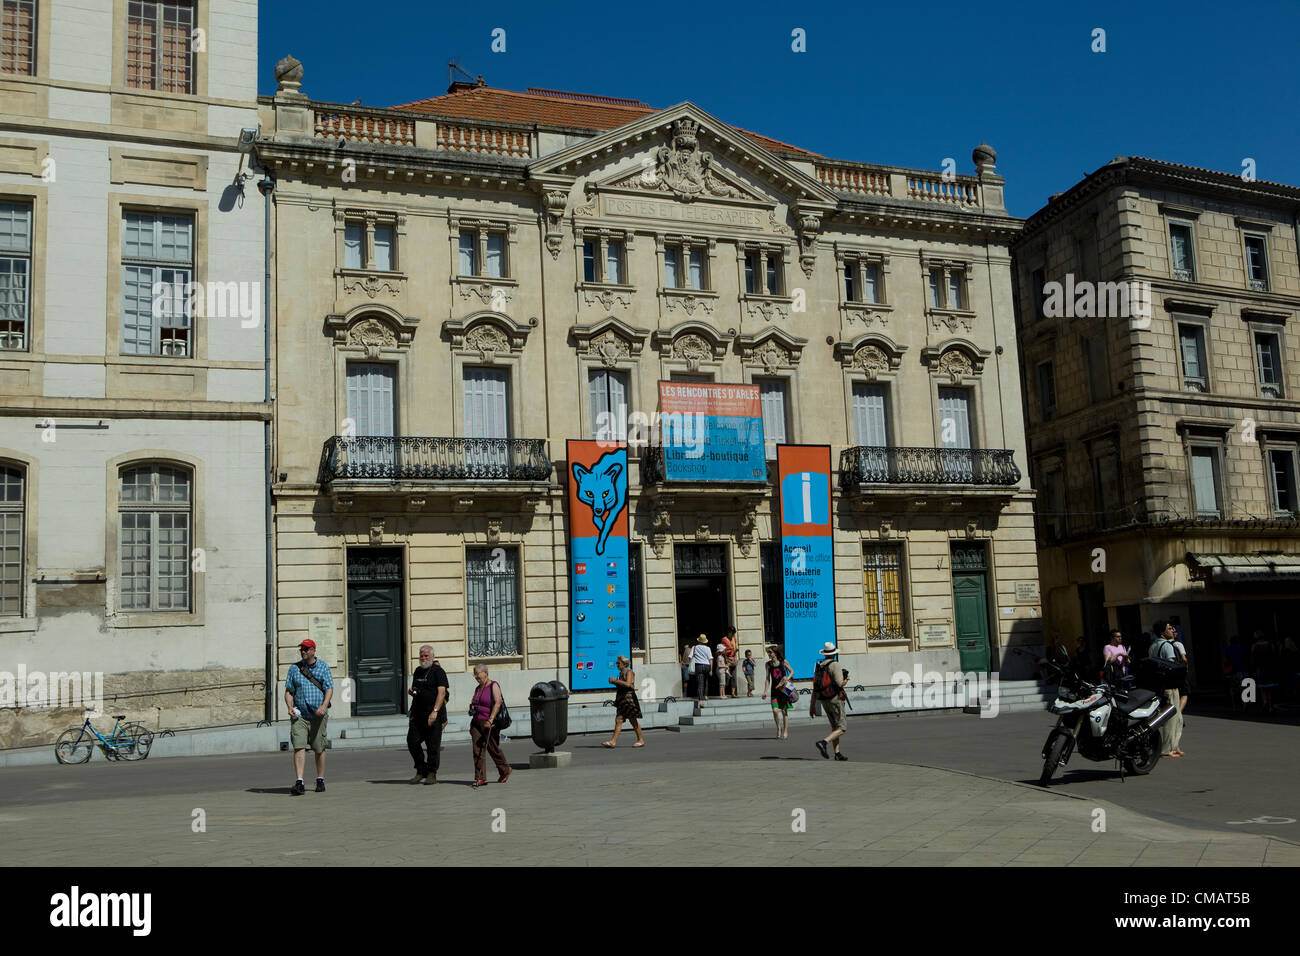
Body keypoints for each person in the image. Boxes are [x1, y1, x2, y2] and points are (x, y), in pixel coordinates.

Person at [284, 638, 334, 795]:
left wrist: (324, 706)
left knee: (319, 747)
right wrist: (290, 707)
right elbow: (289, 691)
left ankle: (320, 779)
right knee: (299, 746)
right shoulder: (294, 669)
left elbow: (329, 689)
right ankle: (299, 782)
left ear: (313, 650)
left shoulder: (323, 667)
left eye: (306, 649)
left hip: (318, 715)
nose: (303, 651)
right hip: (300, 716)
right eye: (301, 649)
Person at [407, 644, 449, 784]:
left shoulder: (438, 671)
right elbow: (416, 691)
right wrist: (412, 693)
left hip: (433, 714)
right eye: (422, 656)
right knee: (412, 741)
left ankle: (432, 773)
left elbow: (441, 693)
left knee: (433, 745)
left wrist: (435, 712)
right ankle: (421, 769)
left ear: (432, 656)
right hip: (417, 714)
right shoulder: (418, 671)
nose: (423, 658)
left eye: (426, 656)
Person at [469, 664, 511, 787]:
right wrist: (471, 708)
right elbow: (474, 702)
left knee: (493, 748)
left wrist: (491, 719)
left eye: (478, 673)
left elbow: (498, 703)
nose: (476, 676)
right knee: (477, 750)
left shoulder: (493, 685)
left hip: (489, 723)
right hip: (476, 722)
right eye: (474, 674)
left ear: (485, 673)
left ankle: (505, 769)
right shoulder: (478, 688)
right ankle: (480, 778)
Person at [1149, 620, 1184, 758]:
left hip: (1159, 685)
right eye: (1169, 628)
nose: (1172, 630)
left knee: (1175, 717)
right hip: (1170, 685)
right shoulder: (1168, 646)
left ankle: (1174, 746)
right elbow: (1171, 665)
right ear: (1163, 632)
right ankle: (1167, 749)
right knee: (1171, 718)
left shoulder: (1152, 646)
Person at [811, 642, 848, 760]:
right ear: (834, 653)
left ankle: (837, 754)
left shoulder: (820, 665)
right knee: (842, 728)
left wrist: (812, 706)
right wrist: (846, 679)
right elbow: (839, 683)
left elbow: (815, 687)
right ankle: (823, 742)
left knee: (834, 727)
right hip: (835, 699)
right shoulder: (835, 665)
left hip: (823, 700)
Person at [602, 655, 645, 748]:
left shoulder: (629, 672)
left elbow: (628, 684)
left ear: (624, 664)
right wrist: (615, 682)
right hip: (622, 700)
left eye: (618, 663)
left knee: (633, 720)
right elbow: (622, 685)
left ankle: (640, 740)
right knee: (619, 720)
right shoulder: (621, 673)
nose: (616, 664)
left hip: (629, 699)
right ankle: (613, 742)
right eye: (616, 663)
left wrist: (615, 681)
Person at [762, 644, 795, 739]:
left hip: (784, 690)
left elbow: (792, 671)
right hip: (774, 691)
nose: (768, 654)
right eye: (768, 652)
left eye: (770, 652)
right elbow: (767, 679)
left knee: (784, 712)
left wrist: (787, 678)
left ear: (775, 653)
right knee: (775, 710)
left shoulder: (783, 662)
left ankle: (785, 731)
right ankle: (778, 728)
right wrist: (765, 691)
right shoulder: (768, 664)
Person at [691, 634, 714, 703]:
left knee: (700, 683)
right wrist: (711, 670)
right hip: (707, 666)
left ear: (699, 641)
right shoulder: (708, 648)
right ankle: (706, 695)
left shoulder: (694, 647)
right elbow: (711, 659)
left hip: (699, 666)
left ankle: (701, 700)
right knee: (706, 681)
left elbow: (690, 657)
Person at [721, 626, 740, 698]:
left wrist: (735, 651)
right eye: (732, 633)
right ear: (728, 632)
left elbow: (733, 652)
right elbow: (721, 650)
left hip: (733, 660)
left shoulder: (734, 639)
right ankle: (723, 693)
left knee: (734, 677)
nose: (732, 635)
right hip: (726, 660)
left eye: (733, 633)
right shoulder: (724, 639)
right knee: (727, 677)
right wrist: (729, 648)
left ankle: (733, 693)